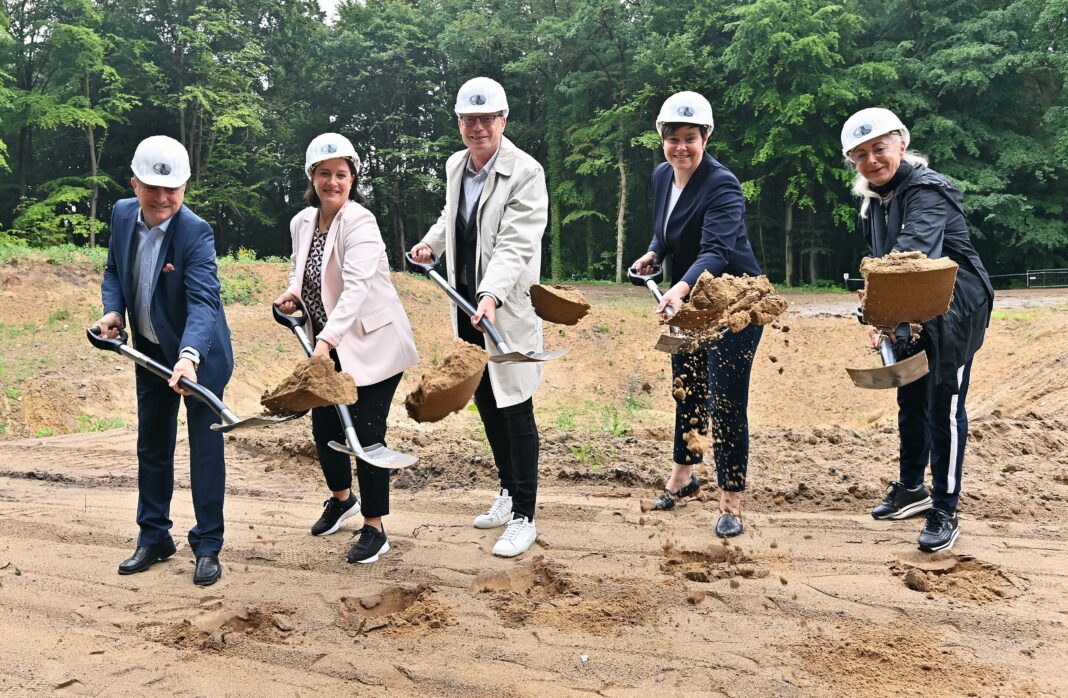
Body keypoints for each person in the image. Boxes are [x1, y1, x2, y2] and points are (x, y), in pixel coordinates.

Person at [840, 107, 993, 552]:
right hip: (909, 307)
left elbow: (912, 257)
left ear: (901, 144)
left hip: (954, 308)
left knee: (942, 405)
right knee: (910, 394)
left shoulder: (929, 189)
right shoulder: (874, 200)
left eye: (879, 149)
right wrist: (883, 320)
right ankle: (911, 488)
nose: (872, 160)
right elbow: (882, 264)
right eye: (861, 154)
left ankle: (945, 508)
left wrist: (882, 315)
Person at [410, 77, 548, 558]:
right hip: (465, 304)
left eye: (487, 118)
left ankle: (526, 515)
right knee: (486, 400)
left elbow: (516, 242)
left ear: (503, 120)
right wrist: (432, 243)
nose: (478, 127)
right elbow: (453, 216)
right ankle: (509, 492)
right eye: (469, 119)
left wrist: (491, 294)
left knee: (515, 405)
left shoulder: (526, 172)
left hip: (503, 308)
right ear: (459, 122)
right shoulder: (455, 166)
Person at [91, 135, 233, 586]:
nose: (164, 197)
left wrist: (189, 357)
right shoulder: (118, 215)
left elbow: (203, 304)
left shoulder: (195, 231)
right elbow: (114, 268)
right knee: (152, 444)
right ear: (135, 184)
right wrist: (113, 310)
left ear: (185, 187)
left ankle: (207, 545)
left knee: (205, 450)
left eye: (173, 188)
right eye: (153, 187)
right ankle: (154, 536)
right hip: (150, 351)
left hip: (201, 358)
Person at [274, 133, 419, 564]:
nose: (332, 182)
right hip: (329, 346)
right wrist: (291, 297)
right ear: (311, 177)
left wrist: (323, 342)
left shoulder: (361, 222)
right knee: (325, 429)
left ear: (352, 178)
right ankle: (342, 500)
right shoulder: (302, 222)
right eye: (324, 174)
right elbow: (306, 275)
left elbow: (354, 289)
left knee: (365, 435)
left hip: (374, 345)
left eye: (341, 174)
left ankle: (375, 529)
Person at [631, 91, 763, 539]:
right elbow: (667, 231)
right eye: (673, 139)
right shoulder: (661, 178)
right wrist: (653, 252)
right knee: (686, 388)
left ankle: (730, 501)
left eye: (691, 138)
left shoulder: (722, 184)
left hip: (733, 303)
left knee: (725, 399)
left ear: (706, 137)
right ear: (662, 140)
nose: (681, 148)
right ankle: (683, 477)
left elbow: (717, 250)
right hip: (688, 302)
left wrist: (680, 287)